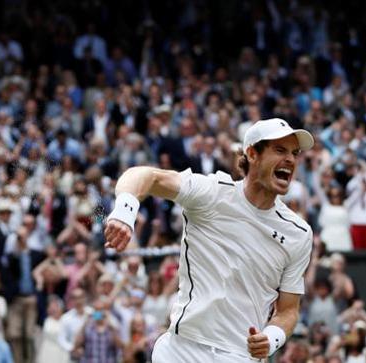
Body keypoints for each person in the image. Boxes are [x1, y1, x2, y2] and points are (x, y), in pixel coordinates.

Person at [105, 118, 314, 361]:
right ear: (252, 154)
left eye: (294, 153)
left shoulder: (298, 233)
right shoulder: (212, 193)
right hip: (181, 349)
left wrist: (272, 337)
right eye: (280, 150)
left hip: (239, 356)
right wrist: (124, 211)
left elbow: (288, 310)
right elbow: (144, 176)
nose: (290, 159)